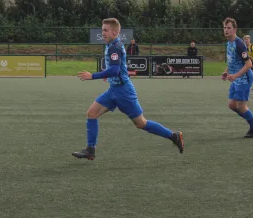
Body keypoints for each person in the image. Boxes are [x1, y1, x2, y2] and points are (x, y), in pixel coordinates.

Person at [72, 18, 184, 161]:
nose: (102, 33)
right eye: (102, 30)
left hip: (123, 92)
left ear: (115, 32)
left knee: (141, 123)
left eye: (105, 30)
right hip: (114, 89)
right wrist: (109, 77)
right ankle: (90, 149)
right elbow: (116, 70)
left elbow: (114, 70)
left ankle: (173, 136)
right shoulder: (112, 45)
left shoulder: (115, 47)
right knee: (92, 113)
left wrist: (93, 76)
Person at [222, 19, 253, 138]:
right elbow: (232, 60)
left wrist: (235, 75)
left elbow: (248, 64)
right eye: (225, 28)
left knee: (240, 106)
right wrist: (226, 72)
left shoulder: (239, 44)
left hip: (244, 78)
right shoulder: (228, 43)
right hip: (237, 78)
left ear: (234, 29)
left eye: (229, 28)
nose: (226, 30)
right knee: (231, 105)